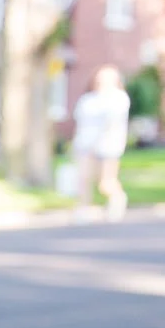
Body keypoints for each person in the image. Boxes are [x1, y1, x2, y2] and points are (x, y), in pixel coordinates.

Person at [70, 65, 131, 221]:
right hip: (84, 144)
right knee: (83, 179)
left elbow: (112, 123)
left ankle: (117, 199)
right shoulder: (88, 99)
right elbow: (80, 122)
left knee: (106, 182)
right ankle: (83, 210)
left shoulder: (119, 98)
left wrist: (97, 142)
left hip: (108, 146)